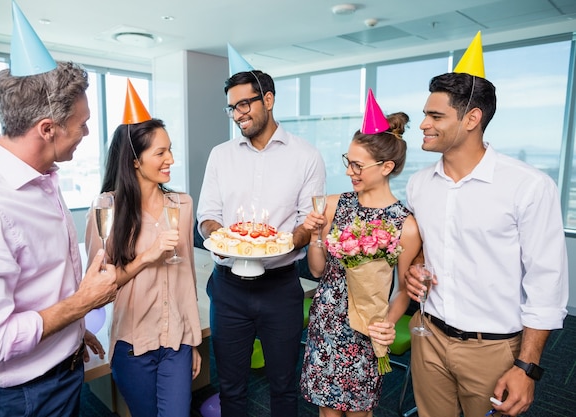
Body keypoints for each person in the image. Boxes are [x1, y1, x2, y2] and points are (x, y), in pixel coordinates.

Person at [0, 61, 118, 417]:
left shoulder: (41, 176)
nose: (86, 132)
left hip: (59, 374)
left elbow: (40, 281)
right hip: (15, 400)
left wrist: (69, 333)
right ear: (47, 129)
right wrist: (82, 304)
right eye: (82, 124)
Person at [405, 71, 569, 417]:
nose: (422, 124)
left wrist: (527, 368)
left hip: (493, 349)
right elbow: (426, 244)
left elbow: (546, 284)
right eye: (425, 114)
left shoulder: (528, 186)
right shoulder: (419, 185)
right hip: (428, 336)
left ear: (472, 119)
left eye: (435, 116)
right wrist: (418, 263)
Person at [197, 69, 326, 417]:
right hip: (228, 290)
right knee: (231, 386)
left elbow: (306, 222)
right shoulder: (220, 155)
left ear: (268, 100)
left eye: (244, 104)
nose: (238, 114)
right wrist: (223, 237)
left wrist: (280, 243)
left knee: (284, 386)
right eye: (232, 108)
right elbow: (206, 216)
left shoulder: (306, 156)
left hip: (281, 287)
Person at [300, 111, 422, 417]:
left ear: (387, 167)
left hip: (368, 328)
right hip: (327, 322)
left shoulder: (405, 224)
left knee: (360, 412)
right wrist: (316, 233)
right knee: (327, 412)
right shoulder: (331, 205)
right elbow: (317, 271)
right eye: (348, 161)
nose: (349, 171)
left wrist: (388, 323)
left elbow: (403, 290)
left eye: (358, 165)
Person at [85, 118, 202, 417]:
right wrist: (146, 257)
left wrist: (192, 340)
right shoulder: (106, 209)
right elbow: (98, 289)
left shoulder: (182, 205)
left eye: (170, 150)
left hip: (177, 341)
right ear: (134, 160)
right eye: (161, 152)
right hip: (133, 345)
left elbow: (185, 277)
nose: (171, 160)